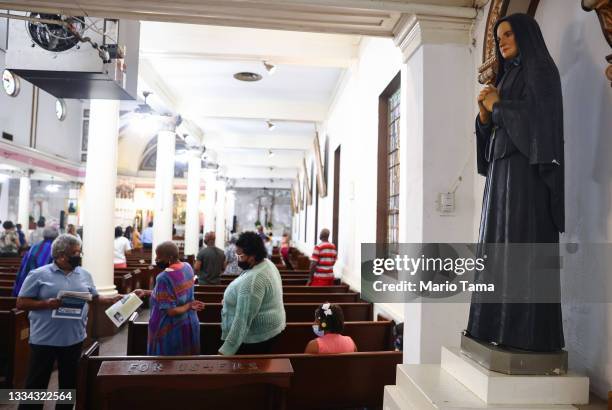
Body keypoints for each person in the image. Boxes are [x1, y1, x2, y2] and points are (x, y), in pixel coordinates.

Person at [467, 14, 565, 352]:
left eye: (508, 34)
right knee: (496, 246)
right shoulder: (508, 78)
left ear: (526, 35)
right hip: (501, 173)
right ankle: (492, 325)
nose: (503, 41)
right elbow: (497, 125)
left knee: (521, 243)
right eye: (499, 36)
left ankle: (522, 333)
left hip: (526, 175)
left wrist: (499, 108)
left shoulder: (542, 72)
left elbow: (541, 123)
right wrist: (484, 118)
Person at [16, 234, 122, 410]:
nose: (78, 256)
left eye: (79, 252)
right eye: (75, 252)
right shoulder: (38, 275)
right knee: (36, 384)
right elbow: (21, 302)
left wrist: (111, 299)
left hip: (73, 338)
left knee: (69, 384)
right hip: (44, 338)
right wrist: (46, 304)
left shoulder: (84, 274)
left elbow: (93, 297)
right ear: (61, 255)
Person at [218, 231, 286, 355]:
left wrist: (225, 351)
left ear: (253, 256)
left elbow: (242, 320)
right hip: (271, 328)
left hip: (255, 337)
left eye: (241, 256)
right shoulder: (267, 264)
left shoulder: (253, 281)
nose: (238, 259)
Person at [134, 241, 204, 355]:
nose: (156, 259)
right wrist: (146, 292)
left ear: (170, 257)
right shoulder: (187, 267)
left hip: (171, 328)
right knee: (185, 364)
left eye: (159, 256)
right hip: (189, 322)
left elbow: (171, 311)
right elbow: (171, 294)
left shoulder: (164, 277)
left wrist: (189, 305)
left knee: (167, 366)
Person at [12, 226, 59, 296]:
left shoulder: (34, 247)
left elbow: (24, 268)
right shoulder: (56, 249)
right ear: (57, 237)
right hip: (46, 290)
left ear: (44, 235)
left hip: (27, 287)